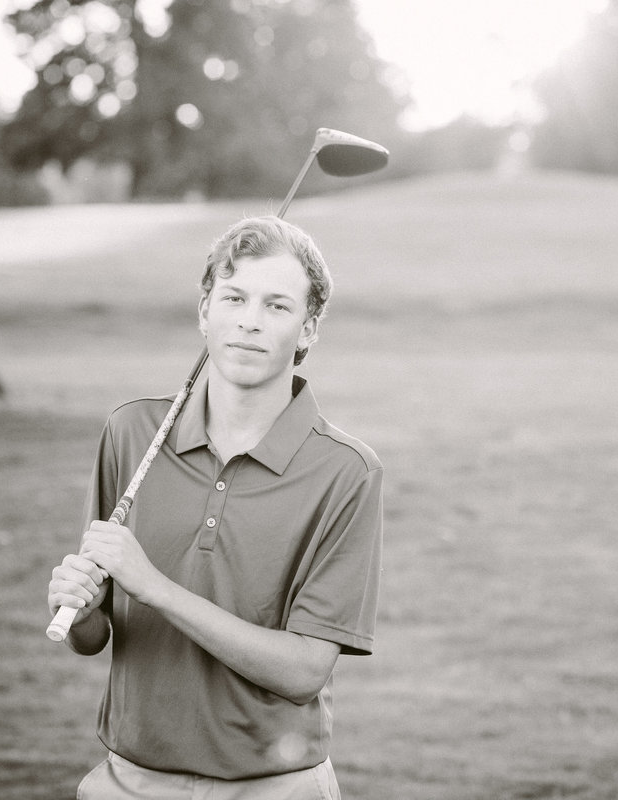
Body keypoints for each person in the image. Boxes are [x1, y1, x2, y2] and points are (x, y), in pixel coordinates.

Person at [47, 215, 384, 799]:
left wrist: (153, 586)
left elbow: (304, 671)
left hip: (276, 787)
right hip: (128, 782)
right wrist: (77, 613)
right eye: (234, 298)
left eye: (277, 307)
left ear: (308, 331)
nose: (250, 322)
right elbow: (94, 633)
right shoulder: (131, 433)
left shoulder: (346, 470)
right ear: (205, 312)